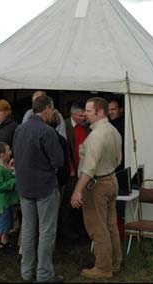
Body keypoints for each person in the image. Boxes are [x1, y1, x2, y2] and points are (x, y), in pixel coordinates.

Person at [13, 94, 64, 283]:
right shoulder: (47, 132)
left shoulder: (20, 129)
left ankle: (26, 272)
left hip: (25, 187)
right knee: (46, 231)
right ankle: (44, 274)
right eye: (52, 110)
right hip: (45, 187)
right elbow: (58, 160)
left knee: (27, 230)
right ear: (47, 109)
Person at [71, 97, 122, 279]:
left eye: (89, 111)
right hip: (111, 179)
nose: (85, 114)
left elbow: (89, 168)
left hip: (97, 184)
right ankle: (115, 263)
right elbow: (118, 160)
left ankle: (103, 267)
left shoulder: (96, 135)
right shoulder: (113, 131)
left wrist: (77, 190)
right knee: (110, 226)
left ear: (100, 113)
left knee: (97, 227)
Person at [59, 102, 90, 242]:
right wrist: (70, 168)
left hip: (84, 170)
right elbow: (63, 150)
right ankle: (65, 231)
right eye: (80, 115)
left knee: (82, 201)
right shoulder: (64, 126)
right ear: (72, 114)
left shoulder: (87, 127)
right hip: (72, 171)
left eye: (84, 115)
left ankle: (80, 230)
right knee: (69, 201)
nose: (83, 117)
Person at [0, 142, 20, 254]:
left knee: (7, 222)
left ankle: (4, 243)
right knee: (1, 224)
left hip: (7, 201)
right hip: (2, 202)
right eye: (8, 150)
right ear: (2, 154)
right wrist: (13, 181)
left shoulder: (5, 166)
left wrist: (13, 172)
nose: (11, 152)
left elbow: (9, 175)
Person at [108, 97, 126, 235]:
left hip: (121, 168)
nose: (111, 112)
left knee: (119, 201)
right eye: (109, 110)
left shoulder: (124, 125)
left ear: (121, 110)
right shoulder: (108, 125)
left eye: (114, 109)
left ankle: (119, 229)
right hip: (111, 169)